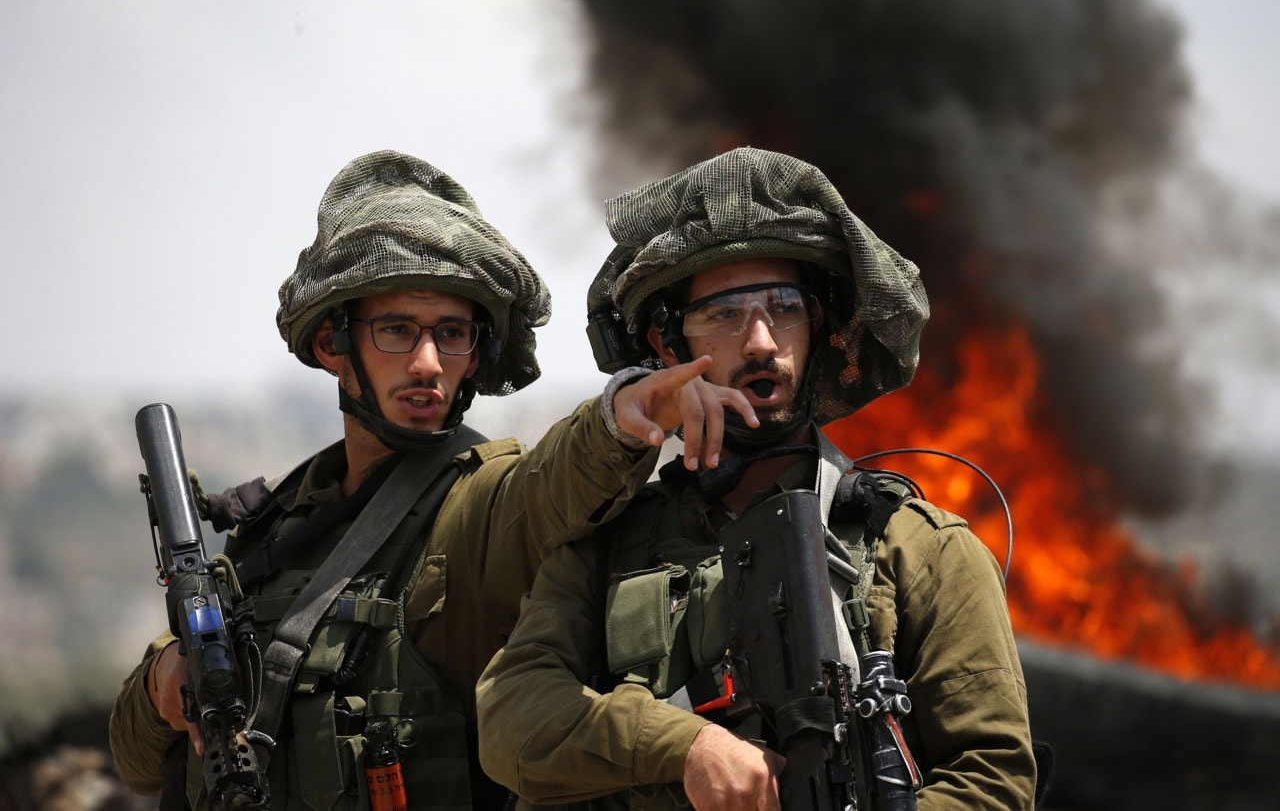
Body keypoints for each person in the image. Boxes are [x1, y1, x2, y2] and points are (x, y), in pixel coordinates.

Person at [108, 150, 755, 810]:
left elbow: (546, 488)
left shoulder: (472, 507)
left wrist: (622, 415)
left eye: (451, 333)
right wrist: (167, 676)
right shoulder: (275, 528)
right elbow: (135, 762)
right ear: (333, 344)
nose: (426, 363)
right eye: (396, 330)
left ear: (476, 353)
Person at [476, 147, 1039, 809]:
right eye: (724, 314)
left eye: (785, 307)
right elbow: (510, 717)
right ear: (666, 345)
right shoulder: (607, 544)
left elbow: (994, 783)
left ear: (818, 326)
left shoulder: (921, 549)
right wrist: (685, 746)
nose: (763, 341)